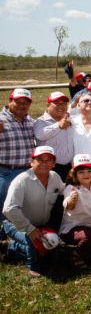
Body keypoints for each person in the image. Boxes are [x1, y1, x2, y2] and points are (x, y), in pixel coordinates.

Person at [2, 146, 64, 277]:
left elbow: (65, 190)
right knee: (35, 241)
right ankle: (33, 267)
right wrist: (30, 229)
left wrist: (72, 195)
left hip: (41, 226)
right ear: (32, 162)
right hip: (16, 225)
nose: (44, 163)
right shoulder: (21, 180)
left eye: (48, 160)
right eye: (39, 160)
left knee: (54, 256)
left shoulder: (55, 177)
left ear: (53, 164)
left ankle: (11, 248)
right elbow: (9, 209)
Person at [0, 88, 36, 226]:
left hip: (27, 172)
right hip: (6, 172)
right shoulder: (1, 120)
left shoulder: (30, 121)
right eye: (18, 102)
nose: (22, 105)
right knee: (4, 208)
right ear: (9, 101)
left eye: (26, 103)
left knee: (23, 209)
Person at [33, 92, 74, 180]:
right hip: (50, 169)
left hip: (69, 168)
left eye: (63, 103)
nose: (61, 106)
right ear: (48, 105)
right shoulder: (40, 121)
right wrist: (58, 126)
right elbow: (40, 135)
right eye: (56, 103)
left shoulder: (70, 119)